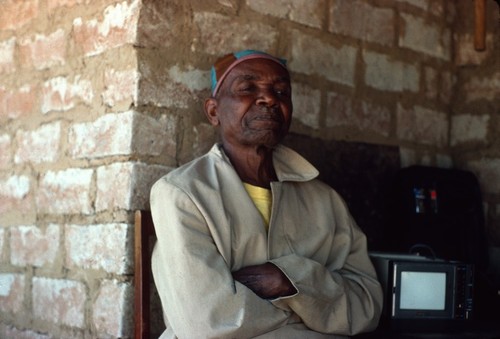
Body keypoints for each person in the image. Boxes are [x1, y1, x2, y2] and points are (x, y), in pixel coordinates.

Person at [150, 50, 383, 338]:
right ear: (213, 112)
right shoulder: (182, 194)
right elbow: (207, 323)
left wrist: (288, 280)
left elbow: (367, 305)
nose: (270, 99)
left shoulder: (326, 200)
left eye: (281, 91)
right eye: (248, 88)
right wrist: (314, 306)